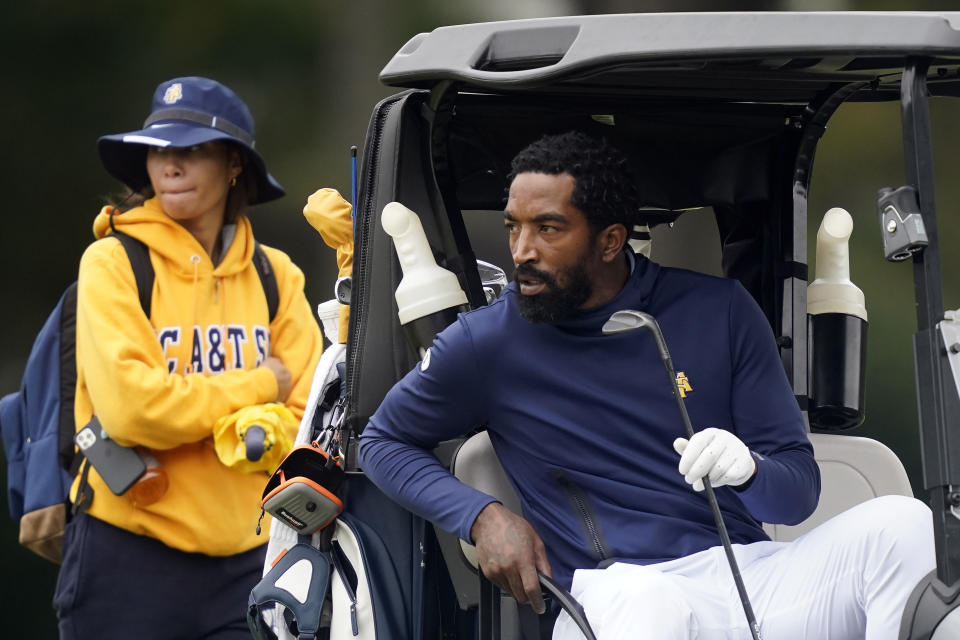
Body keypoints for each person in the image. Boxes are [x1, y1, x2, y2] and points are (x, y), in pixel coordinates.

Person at [358, 131, 935, 639]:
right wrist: (483, 516)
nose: (521, 252)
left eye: (548, 229)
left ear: (610, 242)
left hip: (748, 575)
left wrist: (751, 471)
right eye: (513, 227)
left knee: (905, 526)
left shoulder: (721, 311)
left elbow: (799, 491)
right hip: (614, 595)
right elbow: (381, 441)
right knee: (650, 604)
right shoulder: (486, 342)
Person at [55, 76, 324, 639]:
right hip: (128, 553)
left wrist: (190, 417)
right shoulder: (111, 262)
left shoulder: (277, 274)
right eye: (159, 151)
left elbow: (307, 420)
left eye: (192, 150)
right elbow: (133, 411)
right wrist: (255, 389)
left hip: (253, 558)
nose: (171, 166)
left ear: (233, 165)